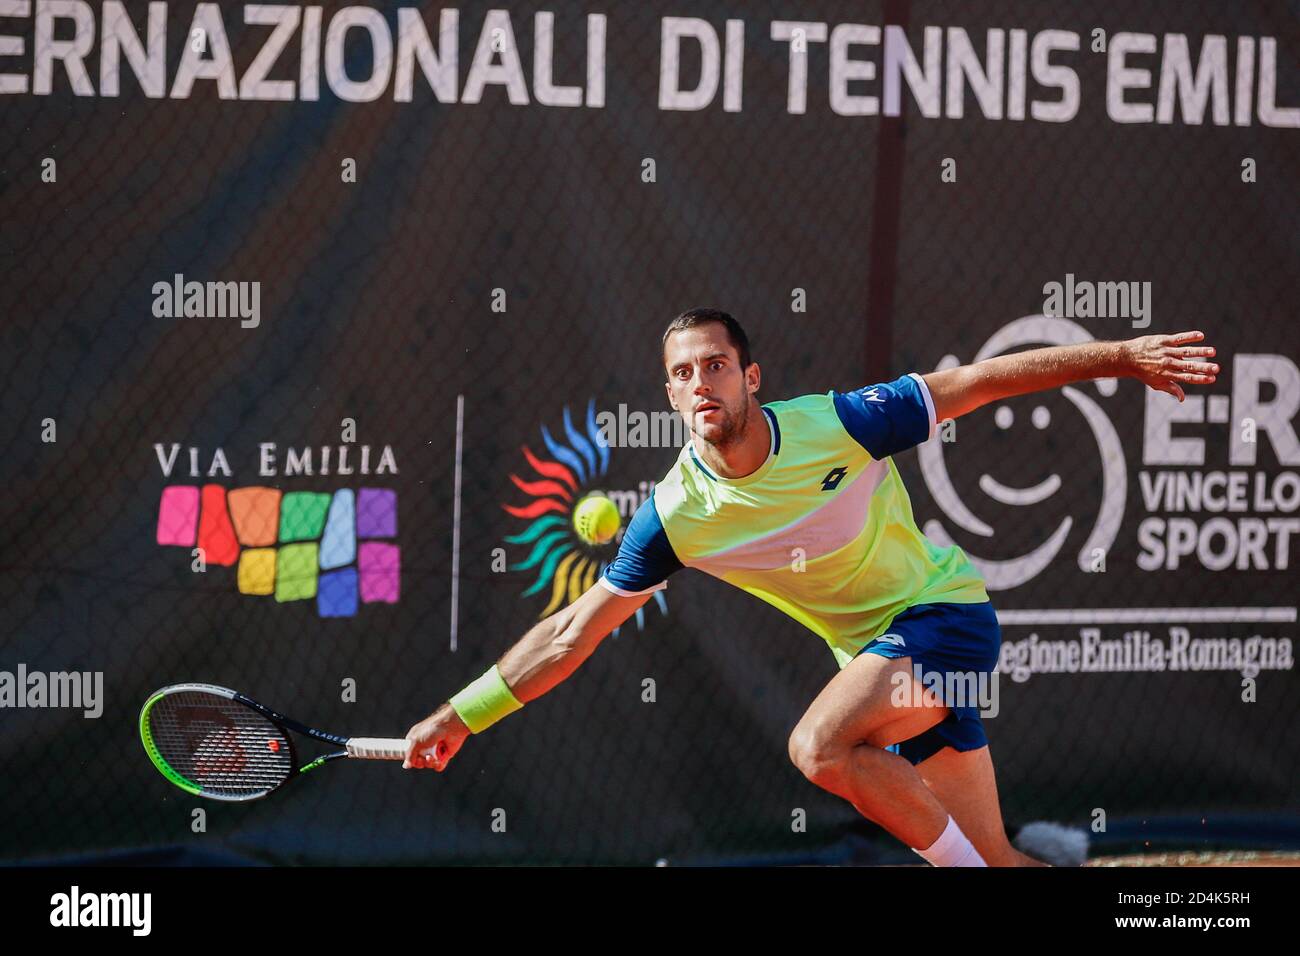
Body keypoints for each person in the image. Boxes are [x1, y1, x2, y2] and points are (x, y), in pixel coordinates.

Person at [404, 308, 1218, 866]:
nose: (701, 384)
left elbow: (977, 383)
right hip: (884, 664)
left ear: (750, 376)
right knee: (995, 856)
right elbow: (569, 633)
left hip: (947, 621)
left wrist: (1118, 357)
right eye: (684, 374)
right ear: (670, 395)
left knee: (818, 747)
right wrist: (460, 715)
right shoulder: (677, 515)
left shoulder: (839, 422)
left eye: (716, 366)